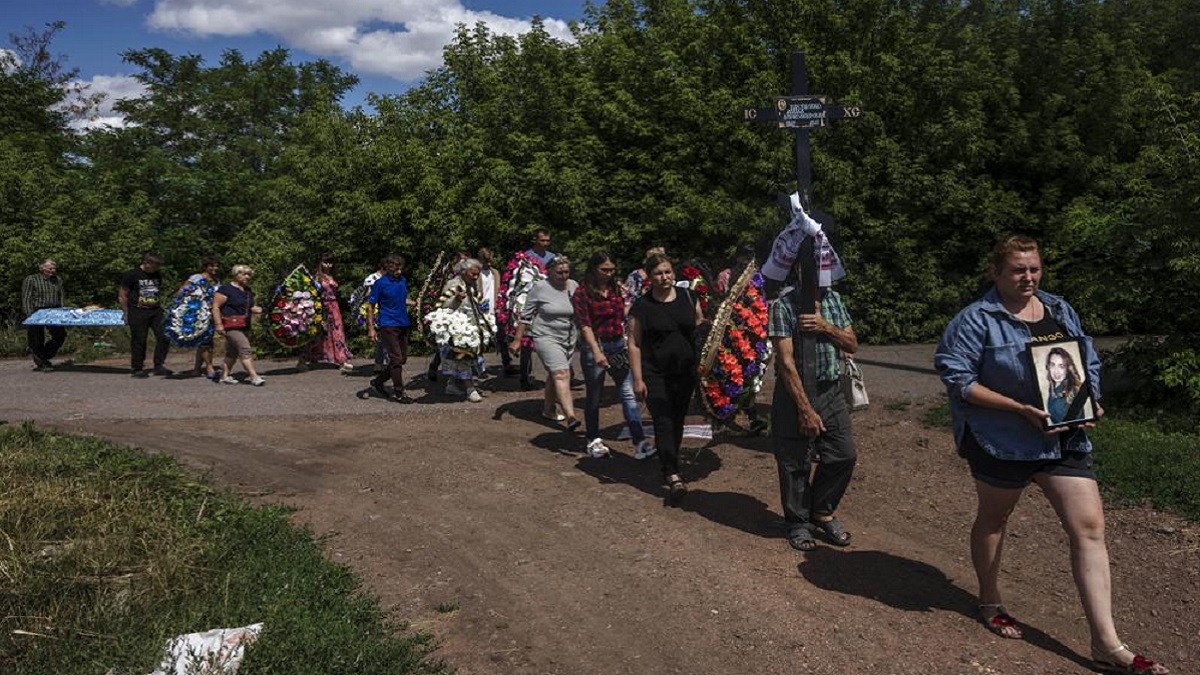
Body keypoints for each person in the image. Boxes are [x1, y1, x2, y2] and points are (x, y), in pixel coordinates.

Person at [934, 235, 1169, 675]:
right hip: (1001, 439)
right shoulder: (974, 321)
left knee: (1090, 527)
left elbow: (1087, 361)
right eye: (1018, 270)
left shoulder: (1060, 309)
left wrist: (1090, 399)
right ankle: (989, 599)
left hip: (1063, 438)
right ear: (996, 273)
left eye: (1035, 269)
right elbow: (957, 378)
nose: (1028, 278)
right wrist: (1020, 409)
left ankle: (1106, 643)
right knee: (995, 519)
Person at [767, 268, 858, 551]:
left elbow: (852, 343)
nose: (820, 273)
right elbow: (785, 362)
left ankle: (821, 510)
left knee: (843, 454)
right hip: (794, 393)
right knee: (794, 462)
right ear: (798, 270)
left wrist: (824, 326)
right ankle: (797, 522)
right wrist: (804, 408)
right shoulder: (783, 306)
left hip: (830, 390)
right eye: (813, 266)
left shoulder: (834, 301)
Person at [628, 253, 703, 503]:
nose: (665, 277)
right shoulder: (642, 306)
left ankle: (671, 460)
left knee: (678, 419)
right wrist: (638, 379)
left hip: (684, 371)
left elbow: (699, 325)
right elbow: (634, 343)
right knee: (663, 421)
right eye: (659, 273)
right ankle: (671, 474)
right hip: (655, 372)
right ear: (650, 277)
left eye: (668, 272)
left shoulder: (687, 296)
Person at [573, 252, 655, 460]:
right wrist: (596, 351)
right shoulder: (582, 293)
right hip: (596, 346)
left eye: (611, 270)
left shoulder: (616, 288)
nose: (609, 274)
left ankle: (639, 441)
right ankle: (593, 438)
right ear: (594, 269)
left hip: (617, 344)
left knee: (627, 393)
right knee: (594, 395)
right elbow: (584, 325)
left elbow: (625, 313)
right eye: (604, 270)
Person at [513, 256, 580, 430]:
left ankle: (548, 409)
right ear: (549, 271)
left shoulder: (574, 286)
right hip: (546, 336)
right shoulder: (540, 288)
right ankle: (570, 416)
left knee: (555, 374)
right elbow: (526, 315)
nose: (563, 276)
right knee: (561, 373)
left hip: (568, 336)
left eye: (566, 272)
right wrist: (517, 339)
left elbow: (581, 311)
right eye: (559, 272)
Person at [438, 258, 490, 402]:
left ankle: (452, 384)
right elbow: (444, 305)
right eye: (473, 274)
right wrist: (456, 300)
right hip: (458, 328)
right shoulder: (452, 284)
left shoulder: (472, 284)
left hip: (472, 325)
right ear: (463, 272)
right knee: (463, 357)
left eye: (477, 274)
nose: (476, 277)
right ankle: (470, 388)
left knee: (466, 358)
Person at [367, 254, 415, 404]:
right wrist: (371, 328)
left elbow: (401, 299)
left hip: (403, 323)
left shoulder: (402, 280)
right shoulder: (380, 283)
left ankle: (378, 381)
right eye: (396, 269)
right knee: (396, 359)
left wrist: (415, 303)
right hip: (388, 324)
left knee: (402, 359)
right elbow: (370, 306)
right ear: (388, 268)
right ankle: (399, 392)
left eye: (401, 268)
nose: (399, 272)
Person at [298, 253, 355, 373]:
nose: (328, 265)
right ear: (321, 263)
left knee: (338, 333)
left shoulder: (332, 276)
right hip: (322, 307)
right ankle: (303, 360)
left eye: (330, 262)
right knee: (317, 335)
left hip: (334, 307)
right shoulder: (317, 276)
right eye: (325, 262)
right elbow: (311, 291)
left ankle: (341, 360)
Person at [119, 253, 172, 378]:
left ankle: (159, 364)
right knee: (139, 340)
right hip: (137, 310)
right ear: (147, 263)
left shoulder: (157, 274)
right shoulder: (132, 275)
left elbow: (157, 289)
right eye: (154, 266)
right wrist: (126, 312)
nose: (156, 269)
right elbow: (122, 294)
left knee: (164, 335)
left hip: (155, 310)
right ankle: (137, 367)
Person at [212, 265, 264, 386]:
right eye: (243, 274)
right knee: (245, 348)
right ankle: (254, 376)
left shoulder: (248, 291)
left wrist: (258, 309)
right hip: (230, 326)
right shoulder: (225, 289)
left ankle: (224, 376)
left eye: (248, 274)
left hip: (244, 324)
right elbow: (215, 307)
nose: (246, 277)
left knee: (232, 352)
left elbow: (248, 307)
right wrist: (218, 324)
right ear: (235, 274)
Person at [178, 256, 221, 380]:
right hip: (197, 312)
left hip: (210, 312)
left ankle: (197, 369)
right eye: (212, 266)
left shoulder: (216, 280)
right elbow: (183, 291)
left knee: (205, 341)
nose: (215, 268)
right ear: (205, 267)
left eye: (216, 266)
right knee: (205, 340)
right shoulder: (196, 278)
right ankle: (209, 367)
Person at [22, 258, 66, 372]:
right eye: (50, 268)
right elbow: (26, 298)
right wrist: (29, 315)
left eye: (54, 268)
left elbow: (61, 296)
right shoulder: (31, 279)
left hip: (54, 311)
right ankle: (42, 363)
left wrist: (62, 311)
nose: (53, 270)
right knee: (36, 339)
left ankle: (44, 356)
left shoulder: (57, 280)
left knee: (60, 335)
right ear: (42, 268)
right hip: (37, 311)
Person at [477, 247, 502, 370]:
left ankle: (506, 362)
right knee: (481, 338)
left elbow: (498, 290)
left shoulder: (495, 273)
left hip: (494, 308)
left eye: (490, 260)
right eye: (486, 261)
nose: (489, 263)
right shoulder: (476, 273)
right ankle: (480, 364)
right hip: (481, 309)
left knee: (500, 336)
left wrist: (499, 304)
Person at [1045, 346, 1083, 424]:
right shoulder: (1052, 387)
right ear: (1048, 367)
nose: (1056, 371)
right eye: (1052, 365)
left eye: (1061, 366)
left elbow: (1077, 422)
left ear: (1067, 368)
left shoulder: (1073, 390)